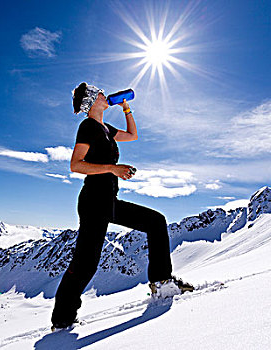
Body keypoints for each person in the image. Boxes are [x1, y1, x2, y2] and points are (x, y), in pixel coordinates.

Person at [50, 82, 193, 331]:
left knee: (155, 222)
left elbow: (132, 135)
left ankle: (161, 283)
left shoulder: (105, 128)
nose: (106, 94)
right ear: (93, 100)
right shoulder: (87, 127)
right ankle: (62, 319)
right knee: (86, 263)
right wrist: (113, 168)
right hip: (93, 201)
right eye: (100, 92)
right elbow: (76, 164)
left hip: (109, 201)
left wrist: (127, 109)